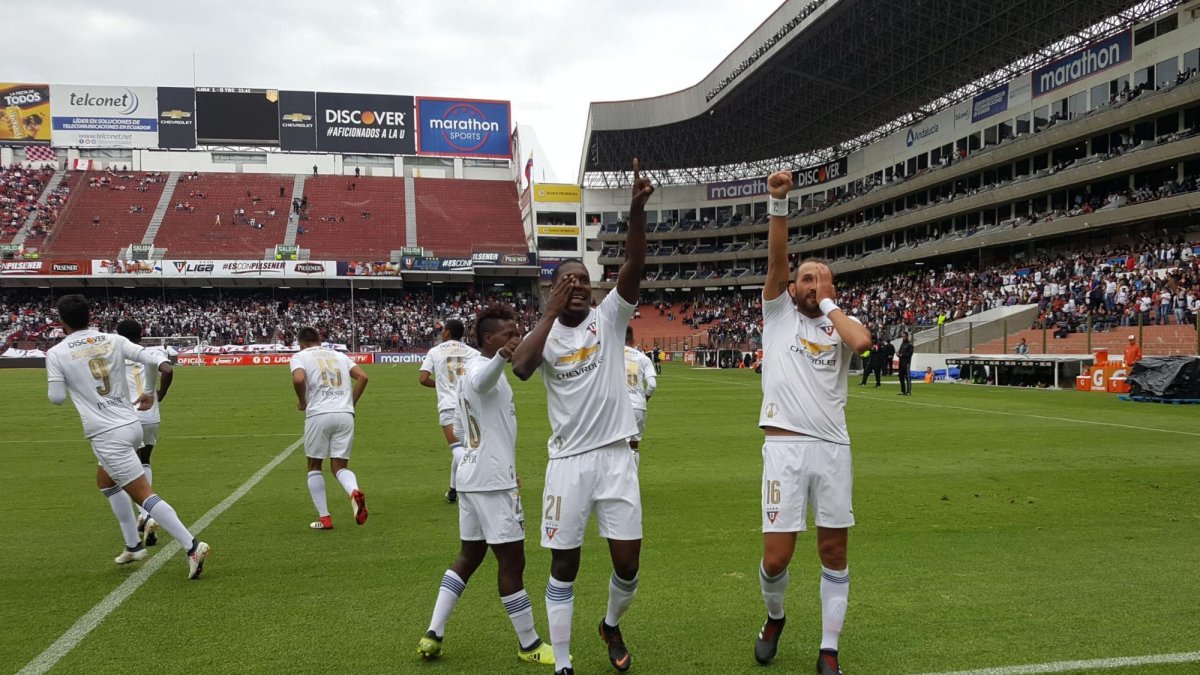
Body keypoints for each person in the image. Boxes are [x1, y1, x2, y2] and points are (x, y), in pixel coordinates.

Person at [512, 157, 653, 675]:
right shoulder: (544, 334)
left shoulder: (609, 320)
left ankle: (611, 623)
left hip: (617, 457)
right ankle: (564, 664)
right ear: (553, 289)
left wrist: (635, 212)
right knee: (563, 565)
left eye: (583, 280)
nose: (577, 285)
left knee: (628, 564)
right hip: (567, 463)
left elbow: (634, 267)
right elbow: (522, 369)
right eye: (566, 280)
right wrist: (549, 312)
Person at [753, 171, 872, 675]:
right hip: (784, 450)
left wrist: (827, 301)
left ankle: (829, 649)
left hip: (832, 449)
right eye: (806, 277)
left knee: (832, 549)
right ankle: (775, 617)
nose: (811, 282)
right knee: (777, 558)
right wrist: (779, 204)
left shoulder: (839, 323)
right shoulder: (778, 315)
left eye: (820, 278)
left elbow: (862, 342)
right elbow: (778, 261)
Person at [417, 304, 556, 666]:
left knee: (470, 554)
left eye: (516, 332)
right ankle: (529, 644)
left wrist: (479, 460)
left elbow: (464, 432)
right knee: (512, 561)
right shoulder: (481, 368)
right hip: (492, 484)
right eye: (507, 334)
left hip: (473, 477)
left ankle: (433, 633)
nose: (515, 338)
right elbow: (483, 380)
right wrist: (500, 359)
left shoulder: (471, 370)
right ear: (486, 339)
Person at [46, 295, 209, 578]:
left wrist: (70, 380)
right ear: (90, 316)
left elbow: (56, 397)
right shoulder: (112, 340)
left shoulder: (57, 353)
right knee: (106, 482)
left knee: (143, 495)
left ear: (62, 322)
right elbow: (156, 359)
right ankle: (133, 545)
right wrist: (150, 390)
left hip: (107, 432)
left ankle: (192, 545)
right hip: (131, 423)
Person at [291, 327, 369, 529]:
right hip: (345, 415)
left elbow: (299, 378)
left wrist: (302, 401)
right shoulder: (339, 355)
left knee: (314, 465)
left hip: (319, 414)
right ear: (320, 340)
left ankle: (325, 518)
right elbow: (363, 377)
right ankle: (353, 491)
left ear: (301, 344)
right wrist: (350, 403)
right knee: (340, 466)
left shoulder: (300, 356)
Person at [115, 320, 173, 546]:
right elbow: (167, 370)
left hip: (127, 417)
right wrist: (160, 393)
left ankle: (146, 514)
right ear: (142, 333)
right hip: (150, 415)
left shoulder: (114, 356)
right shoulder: (153, 351)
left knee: (126, 471)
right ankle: (146, 515)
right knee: (145, 462)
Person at [419, 319, 480, 504]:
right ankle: (453, 490)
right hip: (470, 404)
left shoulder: (435, 351)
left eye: (442, 330)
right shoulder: (472, 352)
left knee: (458, 450)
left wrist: (440, 385)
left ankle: (473, 485)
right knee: (466, 446)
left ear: (447, 333)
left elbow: (423, 379)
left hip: (448, 405)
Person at [623, 326, 657, 459]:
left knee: (615, 447)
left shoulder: (609, 354)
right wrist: (645, 398)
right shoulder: (643, 358)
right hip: (638, 406)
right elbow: (652, 385)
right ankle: (632, 479)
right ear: (633, 340)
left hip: (617, 405)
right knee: (633, 446)